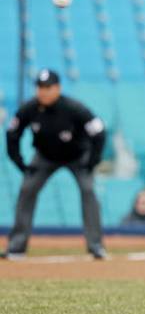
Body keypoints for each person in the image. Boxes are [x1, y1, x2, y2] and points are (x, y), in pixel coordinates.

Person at [3, 69, 106, 260]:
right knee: (27, 189)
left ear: (58, 88)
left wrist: (93, 161)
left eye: (48, 87)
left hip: (78, 157)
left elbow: (98, 132)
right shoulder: (29, 109)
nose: (43, 92)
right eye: (40, 87)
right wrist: (19, 163)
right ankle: (16, 247)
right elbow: (12, 133)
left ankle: (96, 246)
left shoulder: (75, 108)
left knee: (88, 190)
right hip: (45, 157)